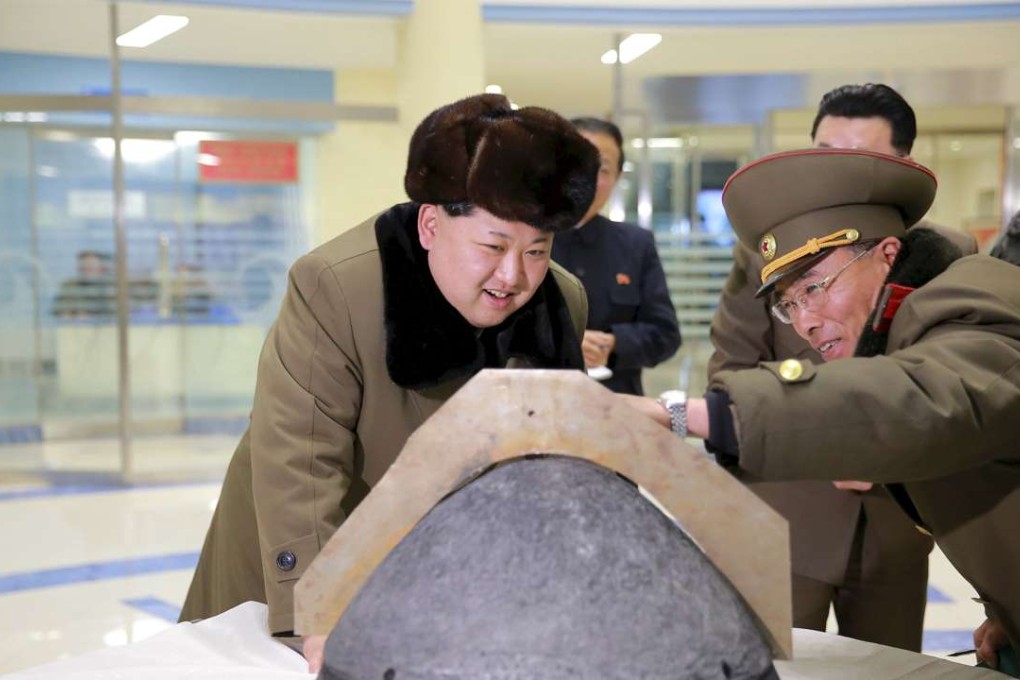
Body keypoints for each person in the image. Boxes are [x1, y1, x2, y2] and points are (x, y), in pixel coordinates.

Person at [178, 93, 600, 671]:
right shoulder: (336, 287)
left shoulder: (562, 300)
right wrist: (322, 613)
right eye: (493, 247)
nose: (514, 275)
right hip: (309, 552)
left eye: (537, 250)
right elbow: (300, 464)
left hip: (438, 571)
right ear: (431, 224)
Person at [628, 148, 1020, 675]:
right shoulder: (900, 332)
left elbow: (923, 398)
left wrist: (684, 415)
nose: (805, 323)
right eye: (789, 305)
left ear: (885, 254)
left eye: (815, 287)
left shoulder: (976, 306)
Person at [708, 83, 977, 651]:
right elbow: (731, 371)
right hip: (788, 517)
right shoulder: (764, 251)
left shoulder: (945, 255)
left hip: (899, 526)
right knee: (777, 663)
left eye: (863, 160)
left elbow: (958, 394)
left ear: (902, 166)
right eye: (825, 153)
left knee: (891, 664)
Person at [551, 117, 681, 395]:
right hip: (536, 405)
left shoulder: (637, 244)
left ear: (617, 179)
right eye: (577, 163)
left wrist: (613, 343)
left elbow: (666, 335)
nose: (587, 177)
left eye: (602, 168)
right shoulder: (522, 239)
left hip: (618, 403)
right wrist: (563, 341)